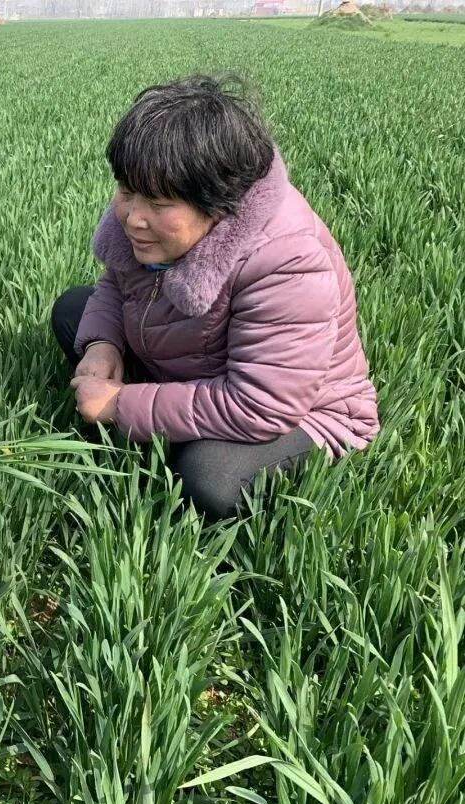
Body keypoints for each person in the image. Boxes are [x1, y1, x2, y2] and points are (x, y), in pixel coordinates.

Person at [52, 75, 379, 520]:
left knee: (208, 480)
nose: (133, 218)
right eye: (127, 191)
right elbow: (117, 282)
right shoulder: (151, 221)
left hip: (294, 410)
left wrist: (118, 406)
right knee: (73, 309)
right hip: (195, 365)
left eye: (158, 204)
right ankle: (167, 418)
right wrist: (102, 345)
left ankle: (175, 434)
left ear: (217, 202)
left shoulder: (287, 260)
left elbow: (260, 405)